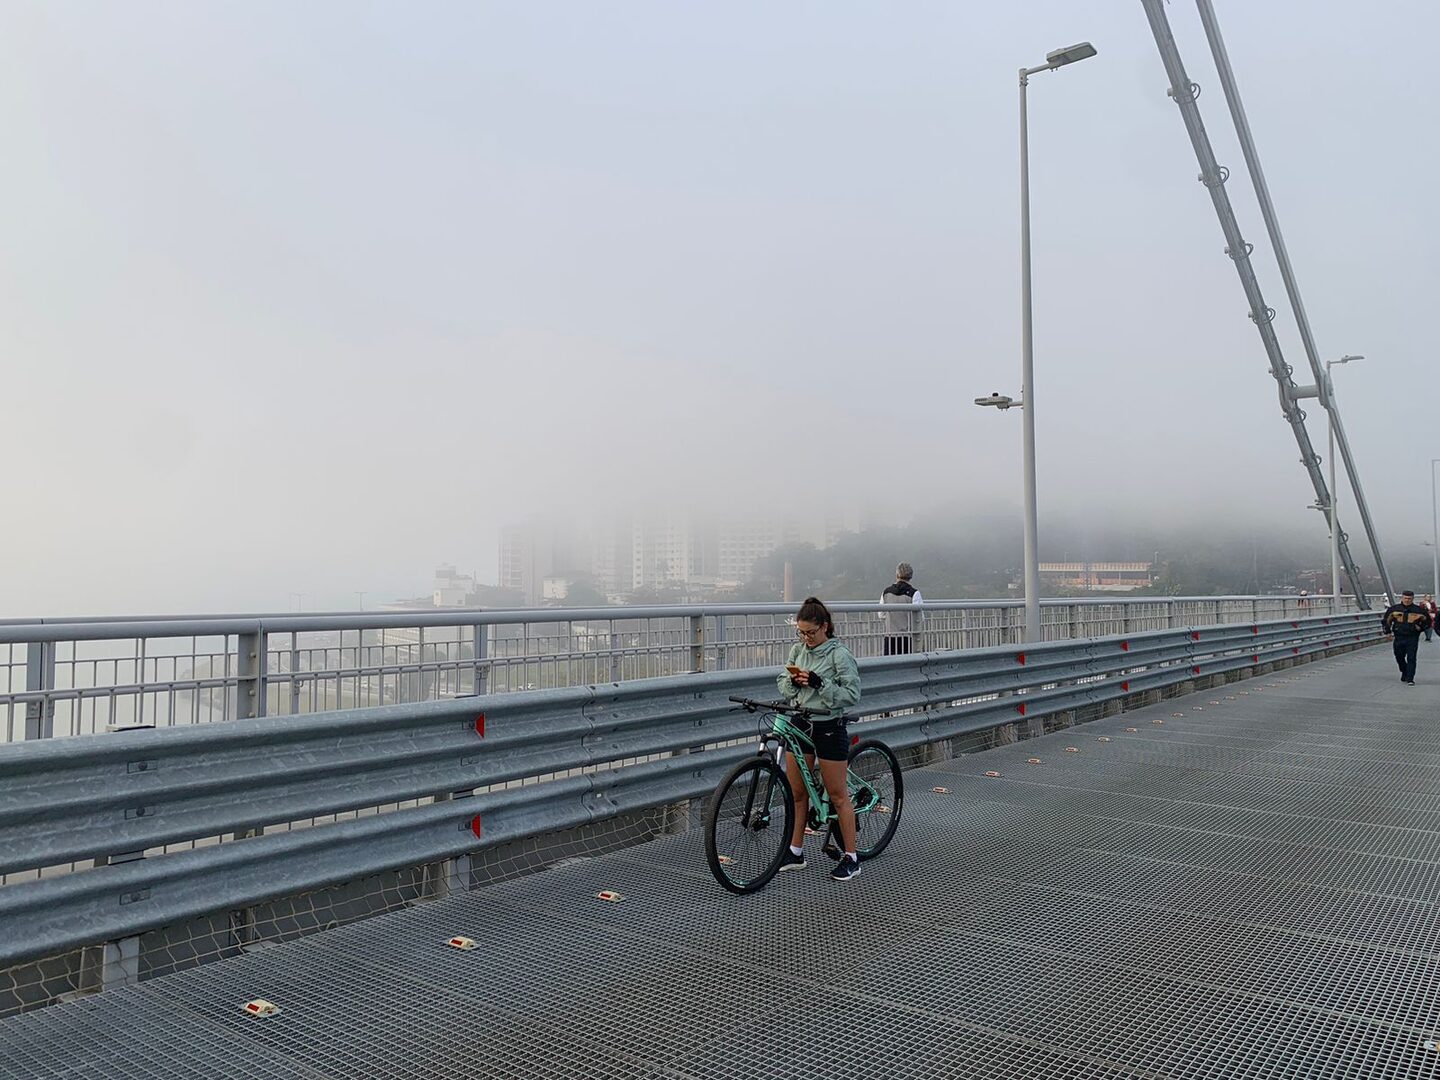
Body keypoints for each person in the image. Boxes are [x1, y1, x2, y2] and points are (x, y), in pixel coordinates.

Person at [774, 596, 863, 881]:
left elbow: (852, 694)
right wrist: (793, 681)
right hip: (801, 722)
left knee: (838, 795)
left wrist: (820, 684)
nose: (806, 638)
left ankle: (851, 857)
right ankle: (795, 851)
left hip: (829, 725)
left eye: (811, 632)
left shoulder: (839, 654)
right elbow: (782, 684)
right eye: (801, 632)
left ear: (825, 627)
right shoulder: (798, 650)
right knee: (798, 793)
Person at [1382, 590, 1432, 684]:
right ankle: (1404, 671)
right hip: (1399, 636)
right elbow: (1386, 621)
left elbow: (1428, 622)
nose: (1407, 600)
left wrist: (1420, 628)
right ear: (1402, 598)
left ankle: (1410, 678)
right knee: (1399, 656)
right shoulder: (1394, 609)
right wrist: (1387, 632)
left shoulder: (1419, 610)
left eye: (1409, 598)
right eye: (1405, 598)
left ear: (1413, 599)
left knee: (1411, 657)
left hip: (1412, 637)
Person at [880, 562, 923, 656]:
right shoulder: (914, 593)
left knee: (889, 664)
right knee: (908, 665)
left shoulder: (886, 592)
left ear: (897, 574)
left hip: (889, 636)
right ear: (911, 576)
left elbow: (881, 614)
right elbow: (919, 618)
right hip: (908, 637)